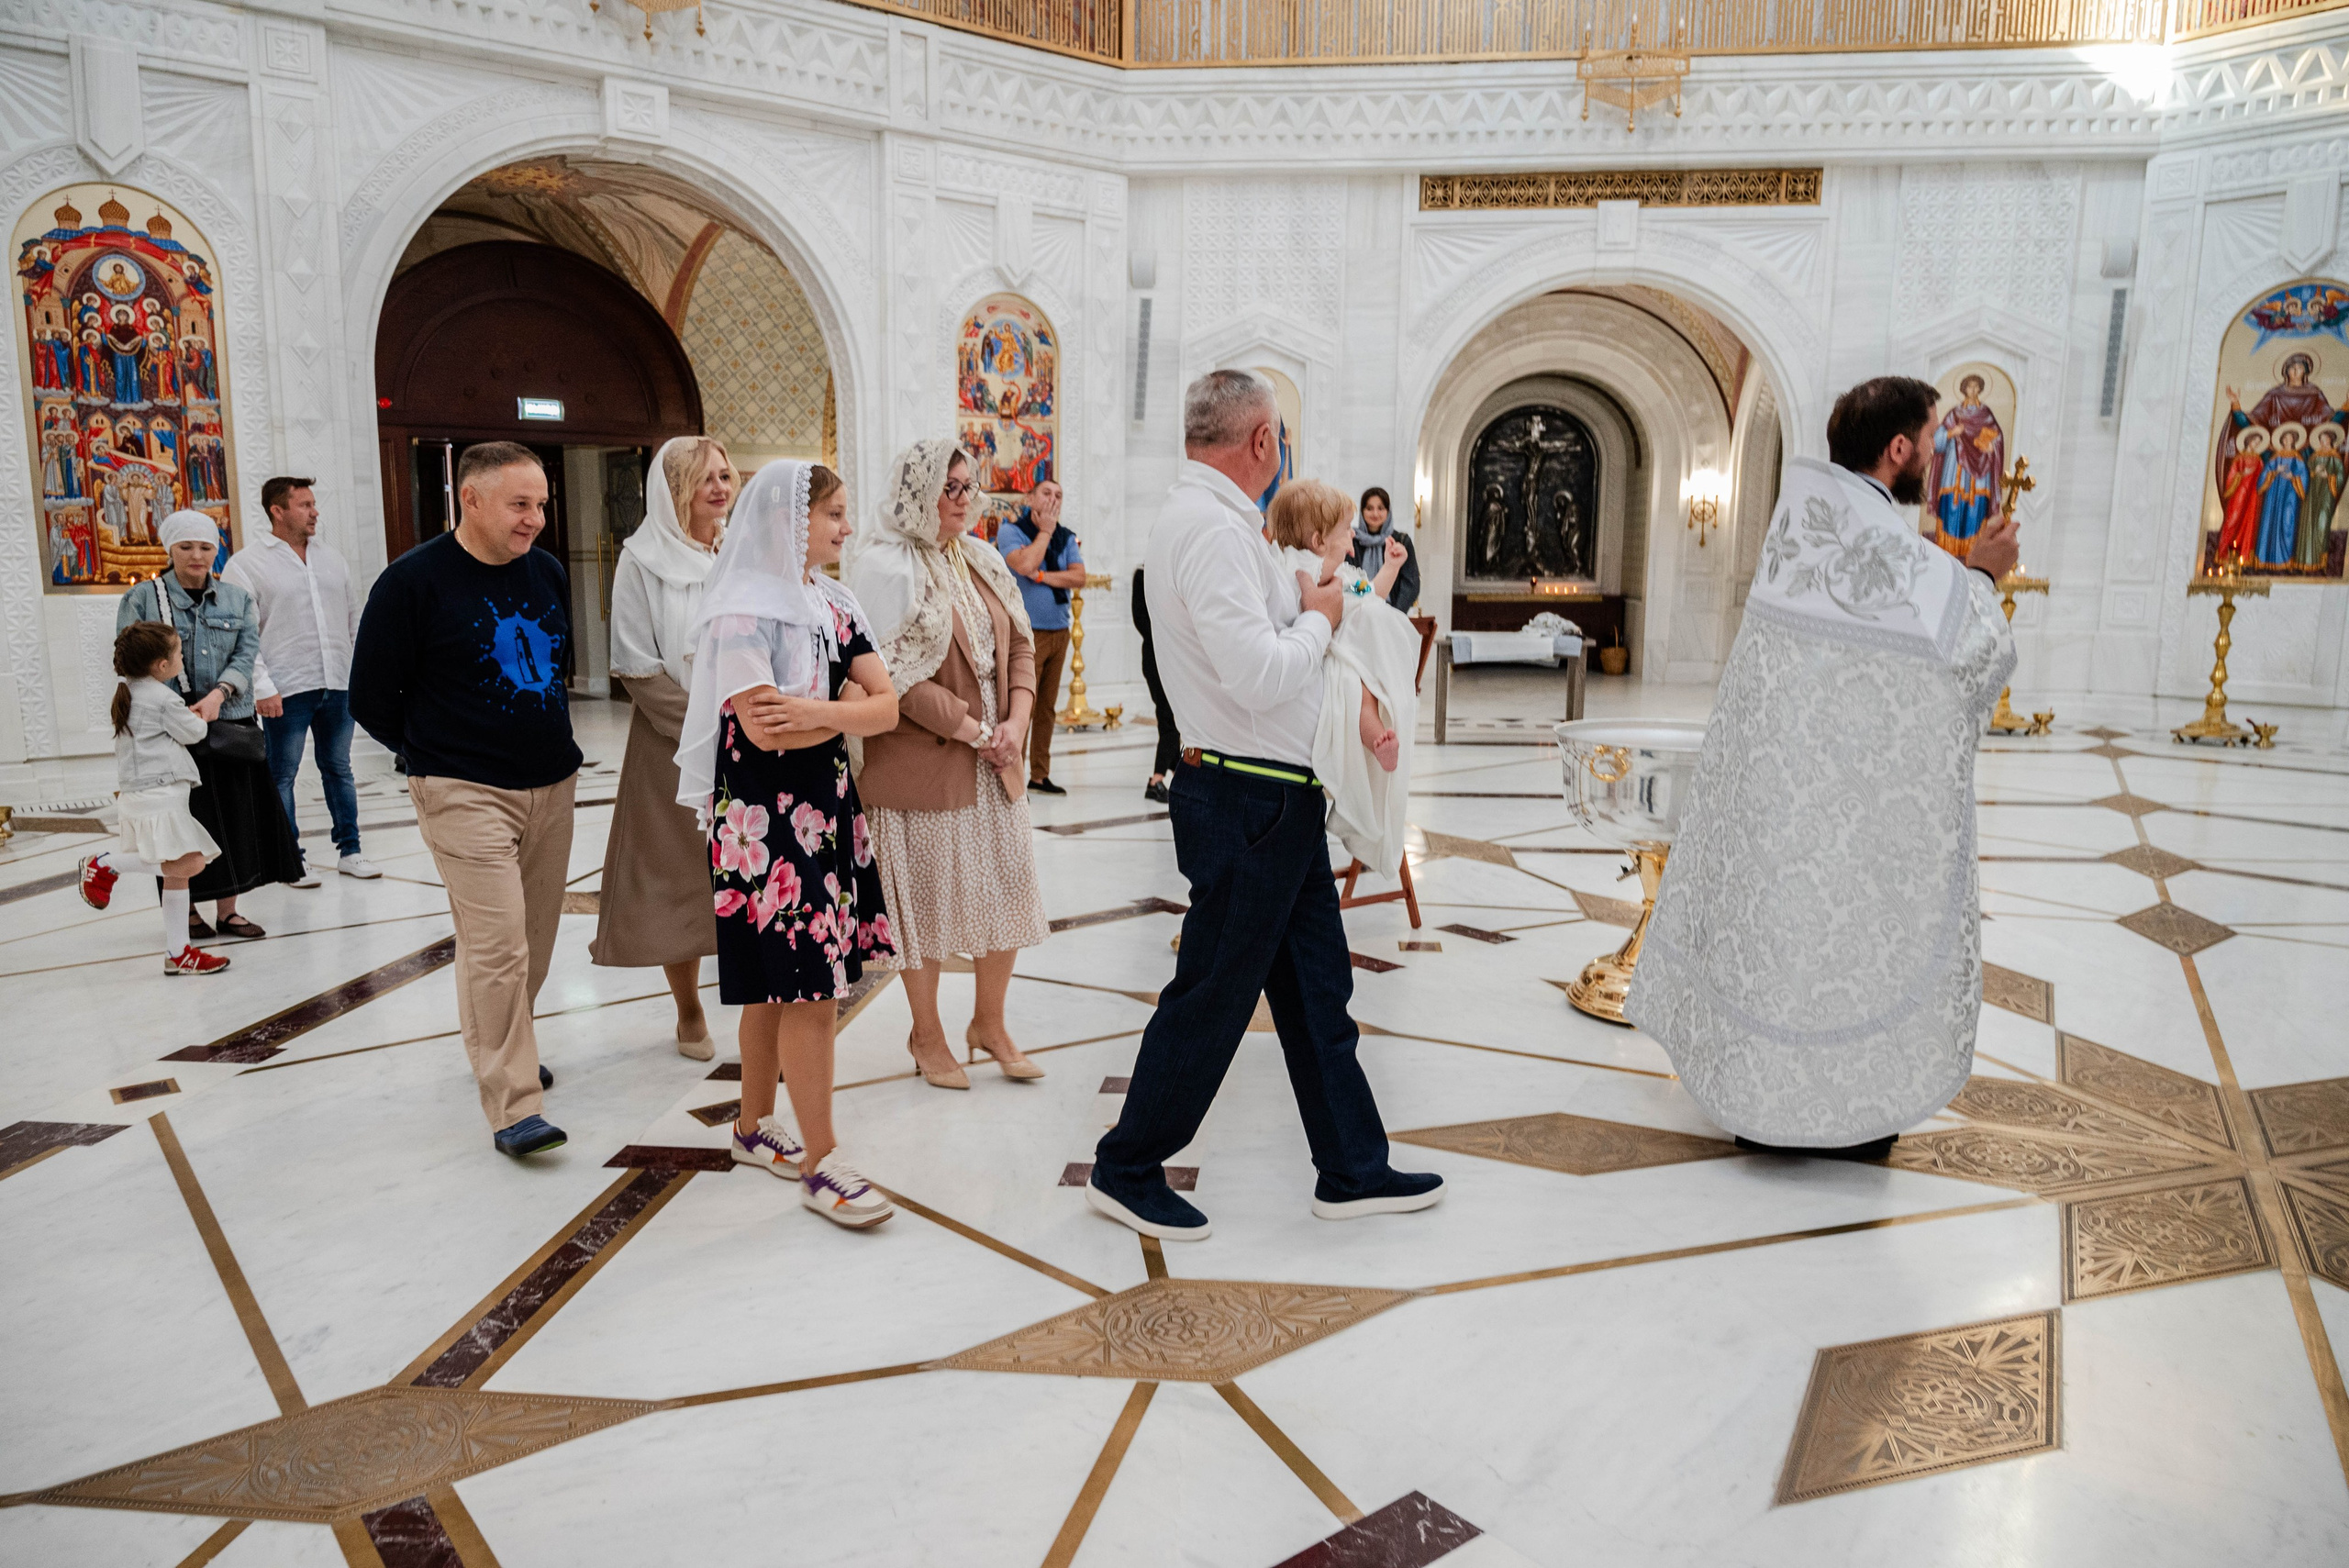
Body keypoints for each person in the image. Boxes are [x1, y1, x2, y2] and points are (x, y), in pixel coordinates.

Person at [1087, 370, 1442, 1241]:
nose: (1283, 451)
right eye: (1280, 437)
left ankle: (1352, 1165)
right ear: (1260, 441)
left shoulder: (1223, 525)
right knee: (1211, 994)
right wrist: (1322, 620)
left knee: (1320, 991)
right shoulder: (1207, 530)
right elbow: (1259, 671)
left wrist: (1314, 599)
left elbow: (1284, 608)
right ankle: (1126, 1165)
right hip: (1245, 798)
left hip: (1278, 798)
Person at [1626, 376, 2019, 1159]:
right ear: (1899, 448)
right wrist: (1981, 574)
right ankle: (1844, 1118)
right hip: (1848, 816)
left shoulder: (1805, 526)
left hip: (1787, 805)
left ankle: (1755, 1098)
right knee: (1838, 944)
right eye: (1934, 441)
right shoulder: (1876, 542)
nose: (1939, 458)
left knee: (1780, 941)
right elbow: (1969, 655)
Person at [679, 461, 901, 1229]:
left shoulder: (836, 601)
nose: (844, 528)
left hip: (826, 806)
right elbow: (759, 722)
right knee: (804, 983)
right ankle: (823, 1161)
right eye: (833, 514)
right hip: (762, 820)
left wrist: (830, 712)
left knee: (795, 978)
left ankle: (749, 1128)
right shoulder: (741, 608)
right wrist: (838, 704)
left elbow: (889, 707)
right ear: (787, 518)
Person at [350, 442, 583, 1159]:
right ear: (471, 498)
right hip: (462, 789)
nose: (535, 520)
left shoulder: (545, 572)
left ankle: (502, 1045)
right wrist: (434, 755)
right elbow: (370, 697)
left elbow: (558, 665)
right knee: (497, 942)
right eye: (520, 504)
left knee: (533, 942)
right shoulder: (411, 583)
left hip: (553, 781)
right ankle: (514, 1101)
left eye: (541, 504)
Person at [849, 440, 1052, 1089]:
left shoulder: (983, 558)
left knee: (1008, 890)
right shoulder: (887, 566)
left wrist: (1016, 722)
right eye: (951, 487)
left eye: (970, 487)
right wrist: (973, 729)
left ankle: (988, 1023)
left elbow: (1021, 645)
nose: (966, 499)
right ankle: (927, 1032)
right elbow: (895, 679)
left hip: (996, 755)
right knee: (929, 906)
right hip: (926, 759)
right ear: (919, 492)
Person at [594, 436, 735, 1060]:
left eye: (726, 476)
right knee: (678, 879)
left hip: (748, 738)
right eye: (705, 478)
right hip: (671, 743)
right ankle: (688, 1006)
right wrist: (707, 729)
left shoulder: (741, 553)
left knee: (748, 874)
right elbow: (635, 663)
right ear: (672, 486)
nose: (720, 488)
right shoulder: (641, 560)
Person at [117, 512, 302, 940]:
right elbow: (131, 657)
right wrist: (175, 704)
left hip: (229, 722)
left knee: (236, 820)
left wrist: (219, 695)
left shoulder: (237, 599)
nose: (196, 556)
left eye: (205, 547)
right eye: (186, 547)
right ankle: (189, 912)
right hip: (171, 728)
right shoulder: (145, 598)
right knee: (181, 825)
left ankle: (230, 910)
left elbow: (246, 653)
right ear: (170, 551)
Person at [220, 475, 378, 887]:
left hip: (338, 681)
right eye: (305, 504)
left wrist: (359, 673)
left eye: (313, 504)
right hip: (285, 686)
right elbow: (241, 632)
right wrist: (261, 685)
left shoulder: (332, 558)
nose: (315, 512)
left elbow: (352, 618)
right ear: (278, 510)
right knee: (282, 774)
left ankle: (351, 850)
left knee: (339, 769)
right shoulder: (246, 564)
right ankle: (291, 859)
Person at [1264, 479, 1419, 874]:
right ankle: (1373, 736)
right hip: (1326, 657)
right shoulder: (1298, 571)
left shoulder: (1341, 570)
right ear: (1317, 540)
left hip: (1349, 652)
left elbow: (1370, 597)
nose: (1352, 536)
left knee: (1363, 682)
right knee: (1357, 685)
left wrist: (1392, 567)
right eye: (1344, 530)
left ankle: (1377, 737)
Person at [76, 621, 233, 975]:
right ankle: (104, 864)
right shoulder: (163, 697)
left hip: (146, 794)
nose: (181, 659)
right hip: (158, 796)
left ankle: (178, 953)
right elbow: (193, 733)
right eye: (178, 654)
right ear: (162, 665)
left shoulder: (130, 691)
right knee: (189, 863)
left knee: (179, 874)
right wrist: (200, 715)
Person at [995, 477, 1085, 795]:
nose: (1053, 500)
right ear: (1030, 497)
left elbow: (1079, 577)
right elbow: (1024, 564)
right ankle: (1014, 778)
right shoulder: (1011, 532)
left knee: (1047, 706)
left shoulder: (1067, 537)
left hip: (1059, 630)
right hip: (1026, 635)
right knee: (1022, 708)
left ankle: (1039, 774)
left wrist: (1044, 576)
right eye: (1046, 493)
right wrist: (1045, 532)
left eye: (1059, 495)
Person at [1131, 564, 1180, 804]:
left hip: (1174, 655)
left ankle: (1175, 768)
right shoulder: (1144, 575)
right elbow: (1141, 619)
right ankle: (1156, 779)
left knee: (1174, 716)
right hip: (1157, 655)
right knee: (1169, 716)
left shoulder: (1172, 574)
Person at [1348, 485, 1420, 612]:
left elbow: (1411, 583)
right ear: (1362, 511)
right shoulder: (1352, 540)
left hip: (1392, 612)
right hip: (1358, 612)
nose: (1375, 513)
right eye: (1369, 508)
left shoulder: (1401, 541)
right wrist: (1362, 604)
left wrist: (1396, 612)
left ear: (1388, 511)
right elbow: (1347, 579)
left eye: (1381, 508)